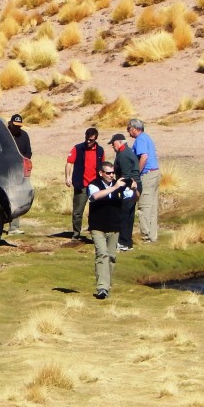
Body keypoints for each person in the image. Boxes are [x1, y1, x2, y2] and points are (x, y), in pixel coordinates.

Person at [87, 157, 134, 300]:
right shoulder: (94, 184)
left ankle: (107, 284)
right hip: (97, 227)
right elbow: (95, 196)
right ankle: (102, 287)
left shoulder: (119, 185)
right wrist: (114, 188)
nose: (112, 175)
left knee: (112, 257)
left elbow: (134, 197)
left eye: (113, 173)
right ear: (101, 173)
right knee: (102, 254)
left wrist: (134, 188)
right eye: (108, 173)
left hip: (114, 227)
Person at [64, 127, 103, 240]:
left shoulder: (100, 151)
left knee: (95, 211)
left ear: (95, 139)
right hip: (81, 185)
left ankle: (95, 232)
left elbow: (102, 168)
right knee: (77, 212)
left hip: (95, 185)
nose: (88, 142)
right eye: (87, 139)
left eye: (91, 140)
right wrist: (68, 177)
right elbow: (69, 163)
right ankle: (76, 233)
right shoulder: (77, 148)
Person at [128, 118, 160, 243]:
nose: (128, 132)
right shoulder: (147, 137)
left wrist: (137, 173)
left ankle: (146, 236)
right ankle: (152, 236)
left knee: (144, 206)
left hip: (147, 174)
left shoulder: (140, 139)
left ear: (135, 128)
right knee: (152, 206)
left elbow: (144, 157)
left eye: (128, 129)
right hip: (155, 173)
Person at [109, 132, 140, 250]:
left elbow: (126, 175)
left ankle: (123, 242)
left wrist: (117, 187)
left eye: (113, 143)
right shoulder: (125, 152)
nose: (112, 146)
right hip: (132, 186)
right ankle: (127, 242)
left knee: (124, 214)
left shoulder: (123, 154)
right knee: (129, 215)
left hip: (129, 187)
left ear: (120, 142)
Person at [7, 113, 32, 234]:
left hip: (19, 170)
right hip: (4, 170)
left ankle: (14, 227)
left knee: (16, 196)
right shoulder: (5, 135)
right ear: (10, 123)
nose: (18, 128)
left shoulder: (24, 135)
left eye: (19, 126)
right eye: (15, 125)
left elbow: (28, 153)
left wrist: (22, 163)